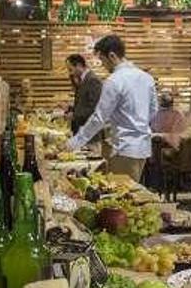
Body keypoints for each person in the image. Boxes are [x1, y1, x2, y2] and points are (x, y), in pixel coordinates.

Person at [67, 35, 158, 182]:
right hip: (143, 147)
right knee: (131, 191)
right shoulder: (146, 78)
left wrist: (75, 142)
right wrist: (136, 123)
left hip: (123, 147)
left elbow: (99, 118)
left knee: (122, 197)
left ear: (112, 56)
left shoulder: (114, 80)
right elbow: (153, 111)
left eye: (102, 60)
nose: (103, 65)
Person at [65, 54, 103, 138]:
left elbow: (94, 108)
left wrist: (74, 116)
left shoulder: (93, 80)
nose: (70, 73)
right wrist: (70, 109)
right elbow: (83, 103)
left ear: (79, 66)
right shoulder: (83, 80)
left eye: (70, 69)